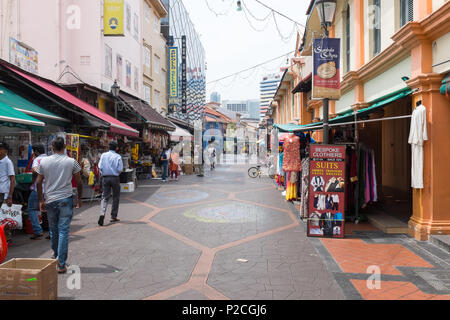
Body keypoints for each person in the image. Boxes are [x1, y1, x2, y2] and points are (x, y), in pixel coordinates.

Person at [36, 137, 83, 274]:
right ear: (64, 146)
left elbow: (39, 182)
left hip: (50, 199)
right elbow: (79, 182)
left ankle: (56, 255)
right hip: (65, 200)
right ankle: (61, 264)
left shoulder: (44, 161)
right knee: (63, 231)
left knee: (53, 229)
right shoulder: (71, 161)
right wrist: (79, 199)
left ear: (52, 147)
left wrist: (41, 200)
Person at [98, 141, 123, 227]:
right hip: (115, 178)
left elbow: (100, 166)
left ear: (108, 147)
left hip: (105, 177)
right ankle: (113, 216)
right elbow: (120, 169)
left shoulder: (103, 155)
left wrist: (103, 173)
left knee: (104, 197)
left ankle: (102, 213)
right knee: (116, 197)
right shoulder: (118, 156)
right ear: (116, 148)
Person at [28, 143, 47, 240]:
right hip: (48, 189)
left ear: (36, 151)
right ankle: (51, 231)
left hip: (38, 189)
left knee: (31, 209)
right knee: (48, 210)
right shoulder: (49, 158)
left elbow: (35, 170)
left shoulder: (37, 159)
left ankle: (37, 230)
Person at [0, 142, 15, 208]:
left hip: (3, 192)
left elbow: (12, 180)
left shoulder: (8, 162)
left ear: (5, 151)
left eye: (0, 149)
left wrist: (10, 196)